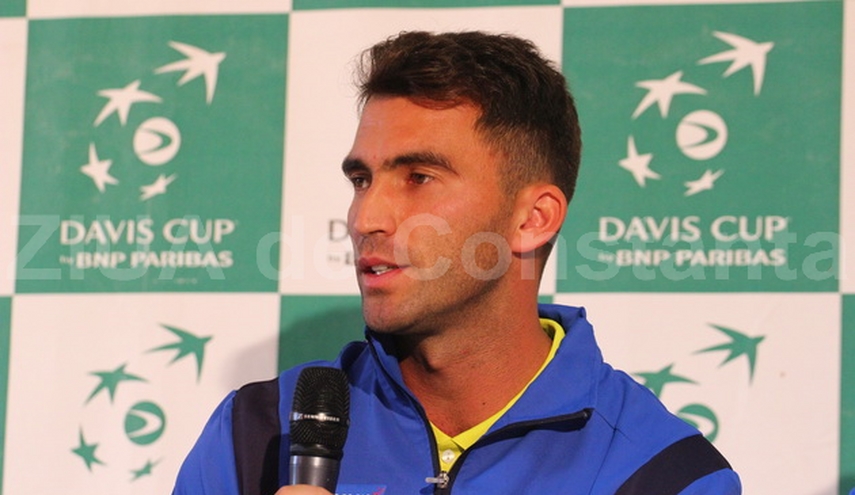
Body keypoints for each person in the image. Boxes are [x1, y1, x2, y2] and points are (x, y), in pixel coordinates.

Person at [172, 31, 741, 495]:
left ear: (533, 219)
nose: (367, 217)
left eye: (418, 177)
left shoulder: (661, 473)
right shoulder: (256, 433)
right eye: (361, 180)